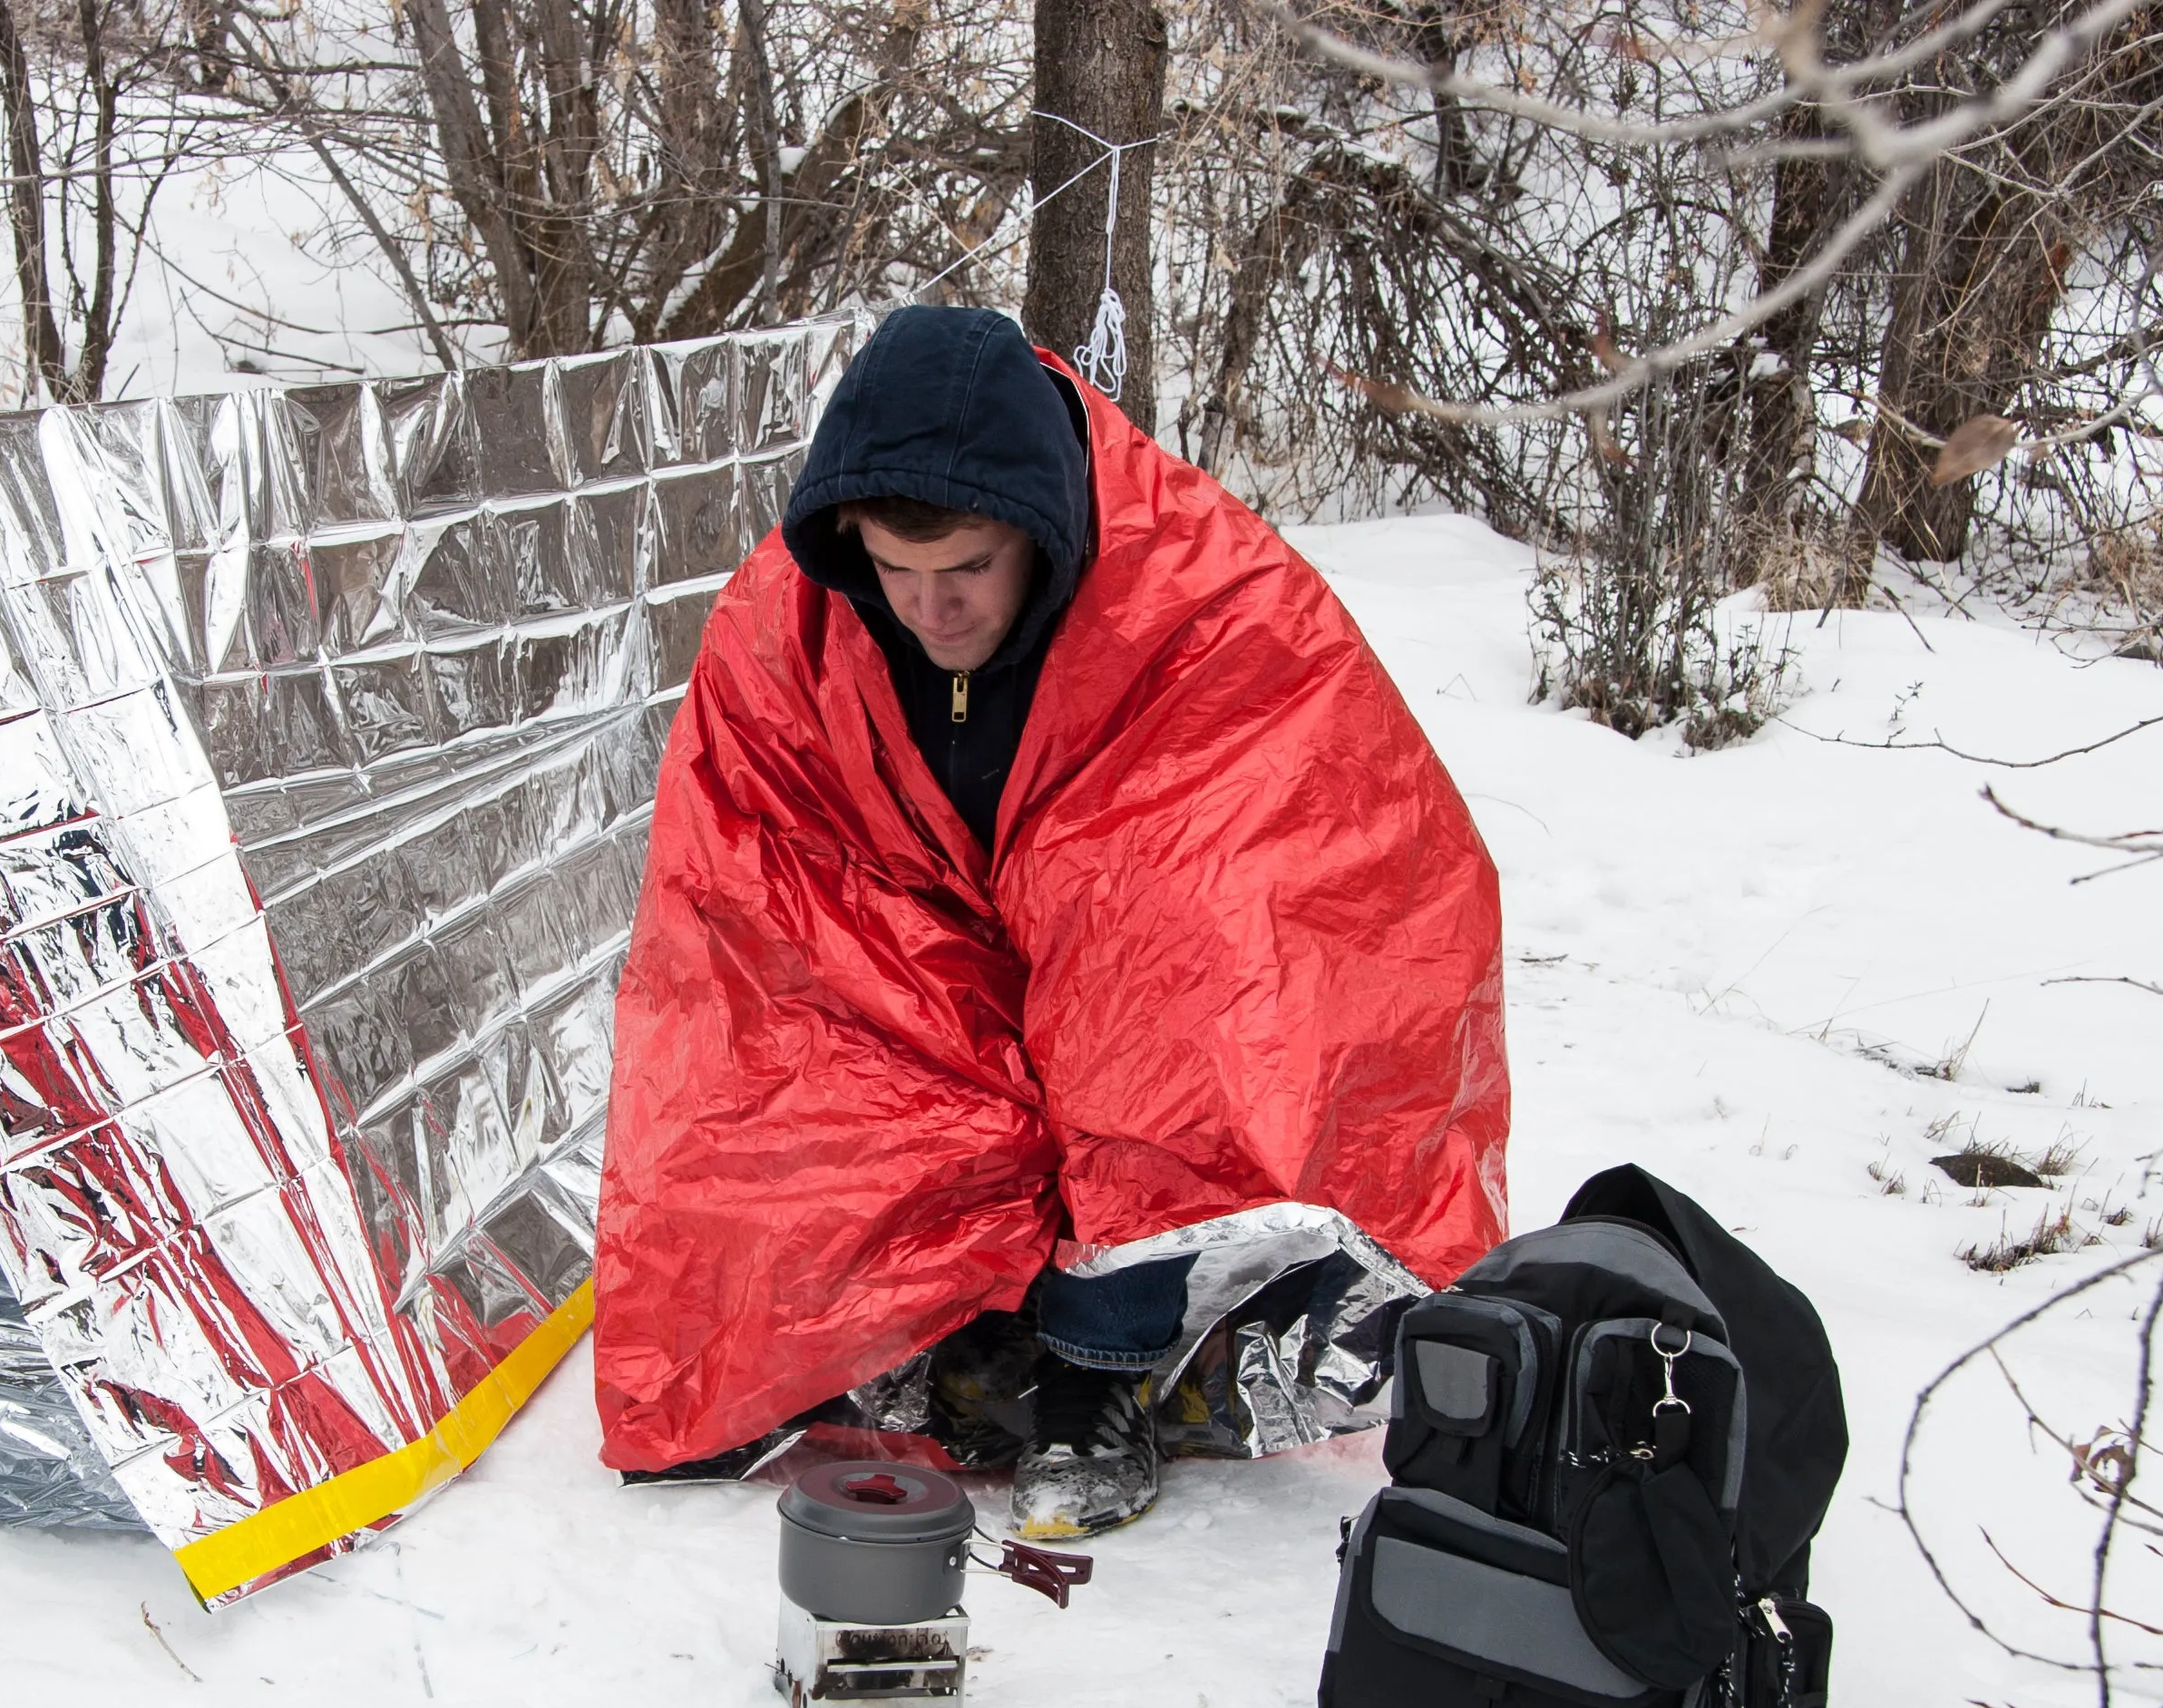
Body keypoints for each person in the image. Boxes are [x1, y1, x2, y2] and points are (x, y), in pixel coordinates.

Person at [591, 304, 1509, 1538]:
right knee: (800, 1010)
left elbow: (1291, 843)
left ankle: (1098, 1372)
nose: (931, 609)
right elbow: (748, 870)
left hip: (1134, 924)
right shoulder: (791, 617)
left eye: (968, 567)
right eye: (895, 572)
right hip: (927, 913)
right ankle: (916, 1319)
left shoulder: (1198, 592)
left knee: (1160, 990)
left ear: (1043, 526)